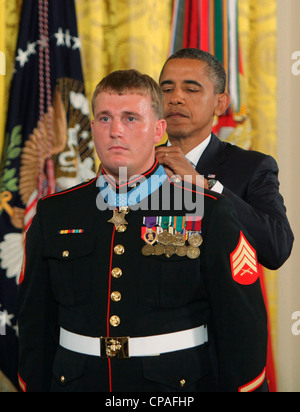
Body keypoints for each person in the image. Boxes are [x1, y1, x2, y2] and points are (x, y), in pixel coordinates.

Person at [18, 69, 268, 393]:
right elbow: (35, 325)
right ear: (92, 128)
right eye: (105, 118)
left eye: (131, 118)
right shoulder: (55, 212)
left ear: (158, 130)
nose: (116, 131)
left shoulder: (208, 211)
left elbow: (242, 329)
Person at [156, 48, 294, 270]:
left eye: (191, 89)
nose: (176, 98)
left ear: (220, 103)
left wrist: (205, 185)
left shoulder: (251, 167)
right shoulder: (139, 165)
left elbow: (277, 248)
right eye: (167, 89)